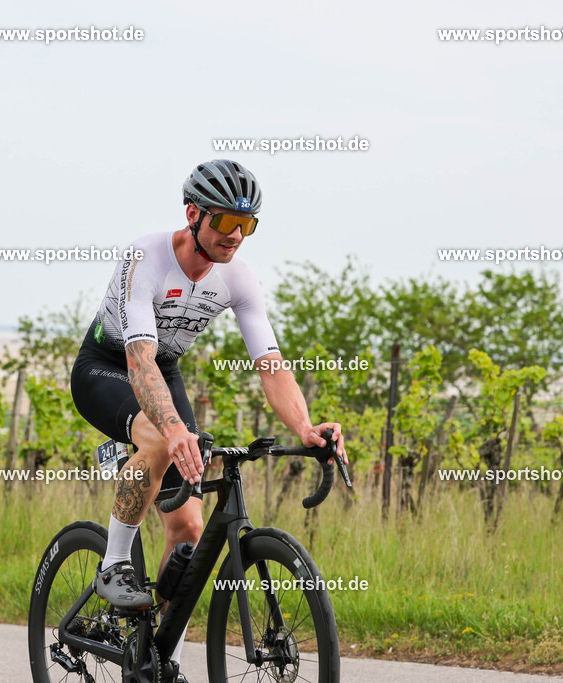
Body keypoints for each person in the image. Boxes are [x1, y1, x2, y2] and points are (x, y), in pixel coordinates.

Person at [71, 159, 347, 675]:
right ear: (193, 214)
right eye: (225, 221)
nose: (236, 235)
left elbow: (271, 367)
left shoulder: (238, 277)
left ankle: (160, 661)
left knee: (190, 531)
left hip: (163, 368)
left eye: (249, 224)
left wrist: (304, 428)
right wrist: (174, 429)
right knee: (157, 440)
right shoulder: (146, 256)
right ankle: (112, 565)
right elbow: (138, 360)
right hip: (108, 367)